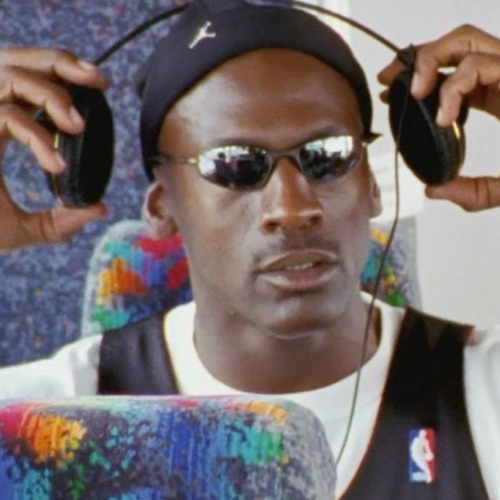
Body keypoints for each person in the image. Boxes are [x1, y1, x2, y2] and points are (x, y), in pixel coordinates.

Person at [0, 1, 499, 497]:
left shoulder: (482, 392)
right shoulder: (41, 428)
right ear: (161, 206)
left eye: (327, 156)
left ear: (370, 185)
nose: (292, 207)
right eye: (235, 164)